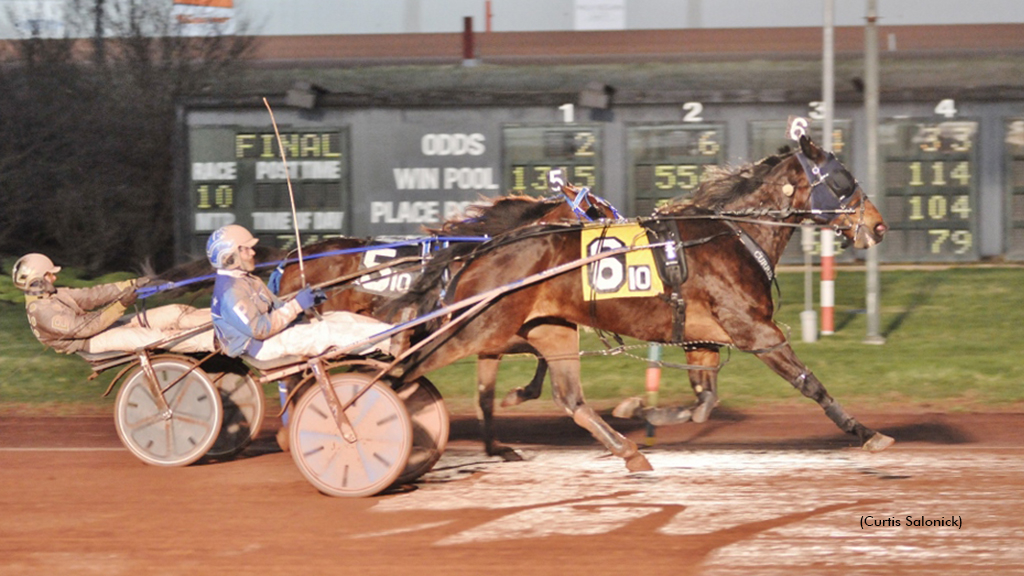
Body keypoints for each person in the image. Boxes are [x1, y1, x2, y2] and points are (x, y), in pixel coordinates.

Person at [207, 224, 390, 361]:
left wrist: (305, 303)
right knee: (327, 332)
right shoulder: (230, 291)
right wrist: (296, 305)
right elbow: (261, 330)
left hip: (273, 336)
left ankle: (390, 334)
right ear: (229, 257)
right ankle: (389, 342)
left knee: (341, 318)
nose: (253, 252)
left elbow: (277, 307)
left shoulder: (247, 279)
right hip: (262, 347)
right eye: (246, 249)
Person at [11, 253, 213, 355]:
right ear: (36, 280)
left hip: (107, 326)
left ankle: (221, 322)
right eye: (49, 275)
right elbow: (84, 328)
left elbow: (94, 295)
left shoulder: (55, 295)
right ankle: (213, 342)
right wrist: (121, 304)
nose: (54, 278)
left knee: (176, 312)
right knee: (158, 337)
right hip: (91, 341)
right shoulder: (42, 312)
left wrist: (132, 284)